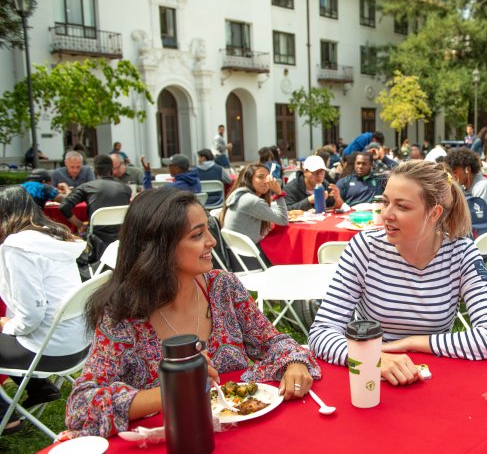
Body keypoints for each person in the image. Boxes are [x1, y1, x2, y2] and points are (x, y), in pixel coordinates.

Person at [64, 188, 319, 438]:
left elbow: (273, 342)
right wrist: (176, 390)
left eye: (208, 229)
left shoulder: (223, 287)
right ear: (159, 247)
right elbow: (81, 405)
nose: (212, 241)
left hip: (241, 433)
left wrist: (294, 363)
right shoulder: (124, 314)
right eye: (197, 235)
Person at [309, 161, 487, 386]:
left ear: (434, 213)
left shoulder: (461, 253)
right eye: (385, 203)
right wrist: (372, 359)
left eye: (402, 207)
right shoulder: (365, 248)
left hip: (432, 381)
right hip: (371, 383)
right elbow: (321, 333)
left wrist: (412, 343)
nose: (386, 215)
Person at [0, 187, 89, 435]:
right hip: (77, 346)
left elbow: (31, 314)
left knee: (9, 329)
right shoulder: (55, 236)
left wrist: (8, 325)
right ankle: (39, 387)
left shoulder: (17, 246)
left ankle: (5, 417)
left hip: (50, 352)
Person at [220, 163, 287, 266]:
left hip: (234, 255)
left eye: (267, 177)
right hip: (247, 258)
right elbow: (283, 220)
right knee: (284, 247)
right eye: (260, 177)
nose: (266, 181)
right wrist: (279, 193)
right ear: (248, 179)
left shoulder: (239, 195)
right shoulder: (251, 201)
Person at [60, 155, 131, 245]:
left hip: (96, 238)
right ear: (112, 170)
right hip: (122, 236)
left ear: (95, 170)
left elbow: (64, 206)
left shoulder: (86, 187)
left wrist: (81, 225)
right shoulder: (126, 189)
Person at [446, 148, 487, 229]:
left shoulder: (482, 186)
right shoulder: (463, 186)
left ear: (467, 169)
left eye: (455, 172)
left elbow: (477, 218)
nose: (452, 176)